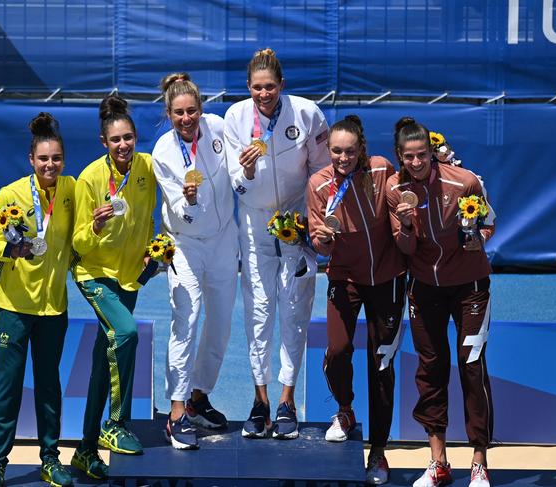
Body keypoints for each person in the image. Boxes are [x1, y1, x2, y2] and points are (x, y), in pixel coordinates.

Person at [224, 48, 330, 439]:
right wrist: (247, 170)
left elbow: (322, 170)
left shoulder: (307, 113)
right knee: (258, 309)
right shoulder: (235, 117)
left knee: (295, 307)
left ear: (282, 85)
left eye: (269, 87)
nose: (263, 94)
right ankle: (260, 400)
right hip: (253, 222)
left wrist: (309, 219)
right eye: (256, 88)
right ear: (248, 87)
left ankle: (287, 400)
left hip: (295, 220)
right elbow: (236, 182)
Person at [386, 117, 495, 487]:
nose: (416, 163)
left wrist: (478, 236)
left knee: (471, 367)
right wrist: (405, 226)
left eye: (422, 156)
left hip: (470, 286)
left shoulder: (463, 181)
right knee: (430, 371)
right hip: (425, 287)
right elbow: (405, 249)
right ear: (399, 156)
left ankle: (479, 461)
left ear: (432, 153)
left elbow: (488, 221)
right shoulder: (394, 189)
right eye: (408, 157)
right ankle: (439, 462)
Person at [307, 115, 407, 485]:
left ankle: (378, 452)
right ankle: (345, 410)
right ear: (328, 150)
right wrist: (324, 241)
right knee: (338, 349)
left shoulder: (381, 169)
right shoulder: (319, 184)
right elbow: (318, 243)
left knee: (382, 364)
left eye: (350, 151)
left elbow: (404, 199)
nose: (343, 158)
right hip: (344, 277)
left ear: (361, 149)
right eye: (336, 151)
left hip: (387, 277)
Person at [0, 113, 75, 487]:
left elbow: (80, 234)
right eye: (42, 159)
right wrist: (12, 250)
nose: (49, 165)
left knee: (49, 385)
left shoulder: (70, 191)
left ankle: (51, 460)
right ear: (31, 160)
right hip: (12, 304)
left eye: (55, 159)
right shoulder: (10, 194)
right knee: (8, 385)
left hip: (52, 305)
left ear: (63, 160)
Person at [71, 95, 156, 478]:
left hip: (130, 277)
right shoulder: (90, 178)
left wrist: (157, 249)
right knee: (126, 334)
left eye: (128, 138)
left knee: (103, 365)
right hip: (95, 274)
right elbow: (78, 244)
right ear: (104, 142)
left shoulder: (147, 167)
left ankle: (85, 450)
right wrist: (96, 226)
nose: (123, 145)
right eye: (115, 140)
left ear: (135, 138)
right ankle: (115, 424)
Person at [152, 73, 238, 450]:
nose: (187, 119)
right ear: (169, 114)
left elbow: (238, 174)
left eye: (192, 111)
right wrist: (188, 199)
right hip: (185, 243)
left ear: (201, 109)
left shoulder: (218, 128)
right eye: (179, 113)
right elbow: (182, 213)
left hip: (223, 240)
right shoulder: (162, 152)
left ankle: (198, 397)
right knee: (185, 321)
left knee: (220, 323)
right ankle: (176, 413)